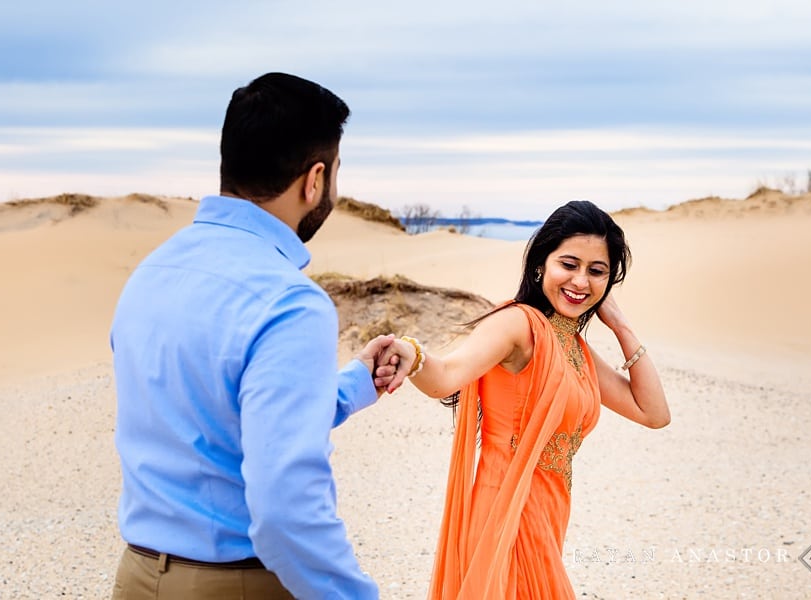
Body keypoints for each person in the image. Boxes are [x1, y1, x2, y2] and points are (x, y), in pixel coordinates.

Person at [109, 72, 402, 599]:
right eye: (335, 173)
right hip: (235, 583)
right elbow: (285, 510)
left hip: (136, 577)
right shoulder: (289, 302)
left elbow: (212, 411)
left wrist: (356, 384)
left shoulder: (152, 272)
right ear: (314, 180)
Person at [384, 200, 671, 599]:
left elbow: (653, 413)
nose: (581, 281)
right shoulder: (518, 325)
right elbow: (447, 377)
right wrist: (412, 355)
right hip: (507, 511)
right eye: (568, 264)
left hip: (549, 515)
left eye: (596, 271)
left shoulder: (573, 346)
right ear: (541, 264)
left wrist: (621, 324)